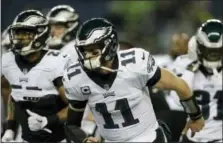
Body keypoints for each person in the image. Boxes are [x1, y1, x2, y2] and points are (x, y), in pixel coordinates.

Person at [62, 18, 205, 142]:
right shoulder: (76, 78)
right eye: (84, 51)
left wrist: (195, 116)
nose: (88, 57)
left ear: (110, 45)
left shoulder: (135, 64)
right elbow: (71, 125)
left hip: (149, 138)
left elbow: (179, 85)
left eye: (94, 51)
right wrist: (84, 140)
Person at [1, 10, 70, 142]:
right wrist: (10, 128)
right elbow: (14, 96)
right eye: (17, 33)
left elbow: (76, 106)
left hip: (58, 139)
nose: (19, 38)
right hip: (26, 138)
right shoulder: (8, 60)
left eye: (25, 34)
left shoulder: (56, 62)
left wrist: (47, 121)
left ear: (40, 34)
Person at [169, 19, 223, 143]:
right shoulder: (184, 64)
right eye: (209, 51)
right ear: (197, 46)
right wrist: (190, 71)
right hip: (193, 138)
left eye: (218, 52)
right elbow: (176, 100)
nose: (213, 56)